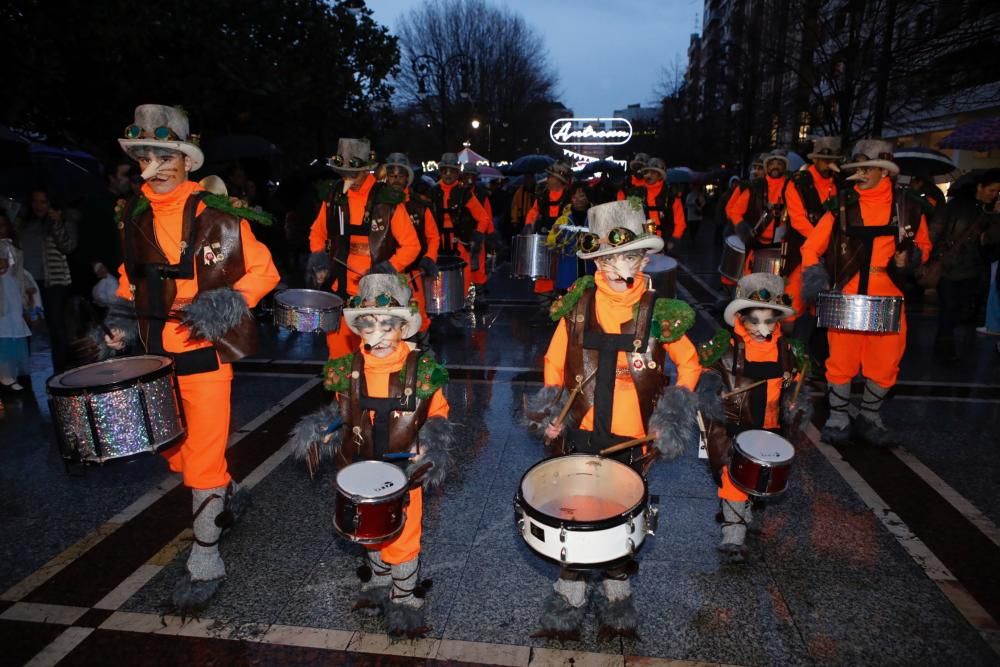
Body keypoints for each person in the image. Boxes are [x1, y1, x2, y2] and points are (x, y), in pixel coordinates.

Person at [104, 104, 281, 611]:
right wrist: (119, 324)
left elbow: (264, 271)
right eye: (146, 155)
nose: (155, 165)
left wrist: (220, 307)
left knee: (201, 456)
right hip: (153, 354)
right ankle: (227, 488)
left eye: (166, 154)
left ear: (186, 161)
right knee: (169, 445)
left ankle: (206, 558)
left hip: (204, 354)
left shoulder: (218, 214)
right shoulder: (133, 215)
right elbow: (128, 278)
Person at [523, 199, 701, 641]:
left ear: (644, 259)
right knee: (576, 509)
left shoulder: (661, 311)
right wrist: (551, 413)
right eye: (611, 258)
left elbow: (692, 364)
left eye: (632, 257)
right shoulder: (577, 305)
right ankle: (571, 592)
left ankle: (618, 595)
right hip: (580, 428)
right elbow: (554, 360)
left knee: (622, 513)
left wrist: (671, 415)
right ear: (597, 261)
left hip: (633, 432)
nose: (622, 268)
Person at [288, 273, 454, 638]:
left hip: (403, 468)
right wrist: (321, 430)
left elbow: (438, 412)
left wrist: (431, 442)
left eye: (386, 326)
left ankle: (406, 597)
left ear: (402, 328)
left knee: (405, 532)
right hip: (362, 463)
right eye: (368, 327)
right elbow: (340, 412)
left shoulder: (422, 371)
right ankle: (379, 581)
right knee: (370, 527)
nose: (376, 337)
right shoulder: (348, 370)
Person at [801, 139, 931, 447]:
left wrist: (909, 257)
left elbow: (924, 247)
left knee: (886, 362)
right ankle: (838, 417)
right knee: (841, 360)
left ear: (884, 172)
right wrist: (817, 280)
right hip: (847, 292)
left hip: (888, 292)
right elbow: (810, 247)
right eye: (857, 168)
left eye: (866, 168)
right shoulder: (841, 204)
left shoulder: (909, 206)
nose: (860, 173)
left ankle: (870, 417)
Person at [697, 273, 810, 563]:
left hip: (770, 425)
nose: (762, 328)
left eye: (769, 321)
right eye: (754, 320)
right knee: (731, 476)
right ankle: (732, 535)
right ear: (741, 317)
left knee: (758, 476)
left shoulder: (786, 350)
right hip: (733, 424)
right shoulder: (725, 348)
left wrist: (794, 400)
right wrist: (711, 397)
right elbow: (708, 378)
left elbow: (792, 385)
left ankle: (742, 509)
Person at [307, 139, 421, 358]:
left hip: (378, 294)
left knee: (377, 353)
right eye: (345, 173)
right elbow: (317, 232)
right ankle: (342, 393)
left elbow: (412, 245)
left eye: (355, 173)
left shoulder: (387, 199)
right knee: (338, 355)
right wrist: (319, 259)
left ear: (367, 170)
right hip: (338, 288)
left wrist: (387, 267)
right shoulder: (333, 196)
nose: (349, 179)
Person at [930, 169, 1000, 360]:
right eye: (991, 190)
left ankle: (944, 344)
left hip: (971, 269)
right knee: (950, 308)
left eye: (997, 192)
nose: (993, 195)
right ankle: (945, 348)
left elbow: (991, 242)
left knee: (954, 310)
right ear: (980, 187)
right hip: (950, 267)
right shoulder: (957, 207)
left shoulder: (988, 212)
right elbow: (936, 230)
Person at [15, 187, 77, 373]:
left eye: (43, 201)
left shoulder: (63, 220)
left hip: (53, 280)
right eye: (35, 201)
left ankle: (63, 369)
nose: (38, 206)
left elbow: (68, 246)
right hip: (29, 282)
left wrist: (57, 223)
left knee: (56, 325)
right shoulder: (24, 222)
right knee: (28, 326)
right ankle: (20, 371)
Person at [784, 137, 842, 334]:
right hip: (801, 250)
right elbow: (797, 219)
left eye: (833, 159)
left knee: (826, 308)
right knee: (792, 303)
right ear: (815, 160)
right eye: (825, 159)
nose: (829, 164)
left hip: (832, 253)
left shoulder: (839, 184)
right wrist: (821, 243)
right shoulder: (797, 183)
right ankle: (789, 353)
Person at [383, 153, 440, 344]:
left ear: (407, 178)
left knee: (418, 318)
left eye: (400, 175)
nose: (396, 179)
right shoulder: (376, 204)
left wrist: (429, 258)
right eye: (392, 174)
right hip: (383, 275)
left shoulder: (420, 205)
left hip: (413, 275)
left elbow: (433, 237)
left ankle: (422, 356)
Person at [429, 153, 491, 307]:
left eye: (452, 171)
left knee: (463, 280)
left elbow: (483, 218)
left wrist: (477, 235)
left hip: (460, 244)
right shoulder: (432, 192)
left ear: (457, 173)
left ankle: (461, 308)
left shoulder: (465, 193)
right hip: (437, 244)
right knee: (436, 282)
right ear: (440, 171)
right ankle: (439, 310)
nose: (448, 174)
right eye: (445, 171)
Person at [727, 150, 790, 278]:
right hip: (756, 243)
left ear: (784, 167)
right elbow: (734, 211)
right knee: (753, 285)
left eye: (779, 163)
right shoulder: (754, 187)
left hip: (782, 246)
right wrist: (745, 231)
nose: (775, 166)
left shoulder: (791, 187)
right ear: (767, 167)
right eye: (772, 163)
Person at [523, 162, 573, 296]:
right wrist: (528, 225)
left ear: (560, 180)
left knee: (564, 277)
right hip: (544, 242)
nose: (548, 179)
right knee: (543, 280)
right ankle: (546, 306)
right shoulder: (542, 196)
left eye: (551, 176)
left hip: (564, 244)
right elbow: (534, 212)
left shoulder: (571, 197)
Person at [618, 158, 687, 254]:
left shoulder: (671, 195)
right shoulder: (636, 193)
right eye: (646, 172)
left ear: (660, 176)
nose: (648, 175)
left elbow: (680, 223)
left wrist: (673, 240)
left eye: (653, 172)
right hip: (642, 244)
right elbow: (627, 216)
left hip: (665, 244)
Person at [0, 213, 36, 391]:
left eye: (3, 225)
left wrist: (27, 291)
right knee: (4, 332)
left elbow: (19, 272)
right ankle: (5, 375)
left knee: (13, 332)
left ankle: (10, 374)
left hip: (12, 294)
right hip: (2, 295)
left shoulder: (11, 246)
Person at [548, 182, 594, 292]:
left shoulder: (596, 216)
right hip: (568, 274)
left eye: (581, 196)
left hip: (591, 271)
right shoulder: (563, 219)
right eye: (574, 197)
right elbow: (550, 243)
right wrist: (556, 236)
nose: (578, 200)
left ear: (588, 197)